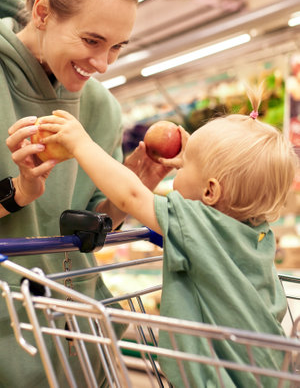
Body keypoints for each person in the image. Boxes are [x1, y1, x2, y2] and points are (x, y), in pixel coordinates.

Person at [39, 86, 298, 387]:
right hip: (263, 372)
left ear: (210, 191)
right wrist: (198, 162)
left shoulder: (198, 222)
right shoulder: (258, 231)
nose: (178, 169)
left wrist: (81, 144)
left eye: (185, 167)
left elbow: (130, 195)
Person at [0, 0, 170, 386]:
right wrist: (19, 193)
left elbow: (94, 226)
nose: (104, 63)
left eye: (117, 46)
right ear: (41, 12)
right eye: (92, 40)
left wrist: (134, 180)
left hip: (78, 345)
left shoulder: (100, 106)